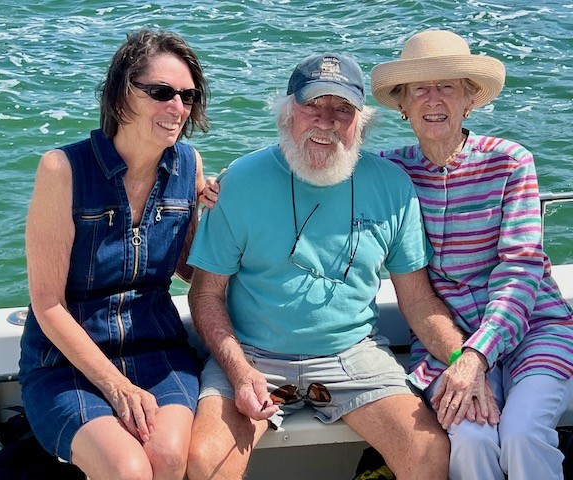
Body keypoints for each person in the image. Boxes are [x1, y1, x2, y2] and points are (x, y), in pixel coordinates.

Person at [185, 52, 474, 480]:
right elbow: (205, 292)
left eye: (342, 109)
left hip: (354, 355)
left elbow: (417, 301)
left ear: (361, 122)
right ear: (287, 112)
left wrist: (462, 358)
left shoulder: (393, 185)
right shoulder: (240, 181)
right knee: (205, 461)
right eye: (313, 105)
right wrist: (240, 372)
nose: (326, 122)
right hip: (251, 355)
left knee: (429, 452)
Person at [371, 29, 573, 479]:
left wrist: (478, 355)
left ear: (469, 99)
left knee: (522, 432)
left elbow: (520, 270)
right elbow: (318, 172)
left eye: (447, 85)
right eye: (419, 88)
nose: (433, 98)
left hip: (534, 327)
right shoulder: (388, 171)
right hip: (446, 340)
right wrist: (223, 186)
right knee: (472, 438)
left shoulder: (510, 161)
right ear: (402, 105)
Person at [18, 29, 209, 480]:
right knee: (127, 469)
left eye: (187, 96)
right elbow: (47, 304)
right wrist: (117, 386)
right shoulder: (63, 170)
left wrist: (219, 217)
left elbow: (189, 271)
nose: (178, 107)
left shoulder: (189, 166)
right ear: (122, 94)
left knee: (168, 457)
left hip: (157, 349)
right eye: (161, 93)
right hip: (66, 362)